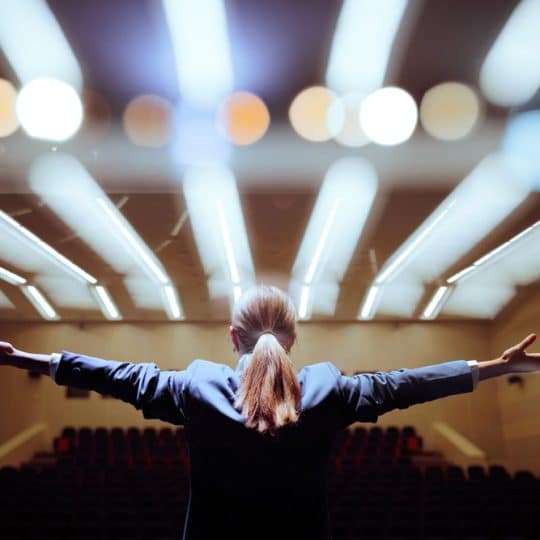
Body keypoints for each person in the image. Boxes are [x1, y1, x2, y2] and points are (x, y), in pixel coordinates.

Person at [0, 284, 538, 540]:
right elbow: (405, 386)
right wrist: (495, 367)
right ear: (293, 340)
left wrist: (30, 357)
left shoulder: (197, 388)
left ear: (231, 337)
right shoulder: (326, 390)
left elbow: (119, 376)